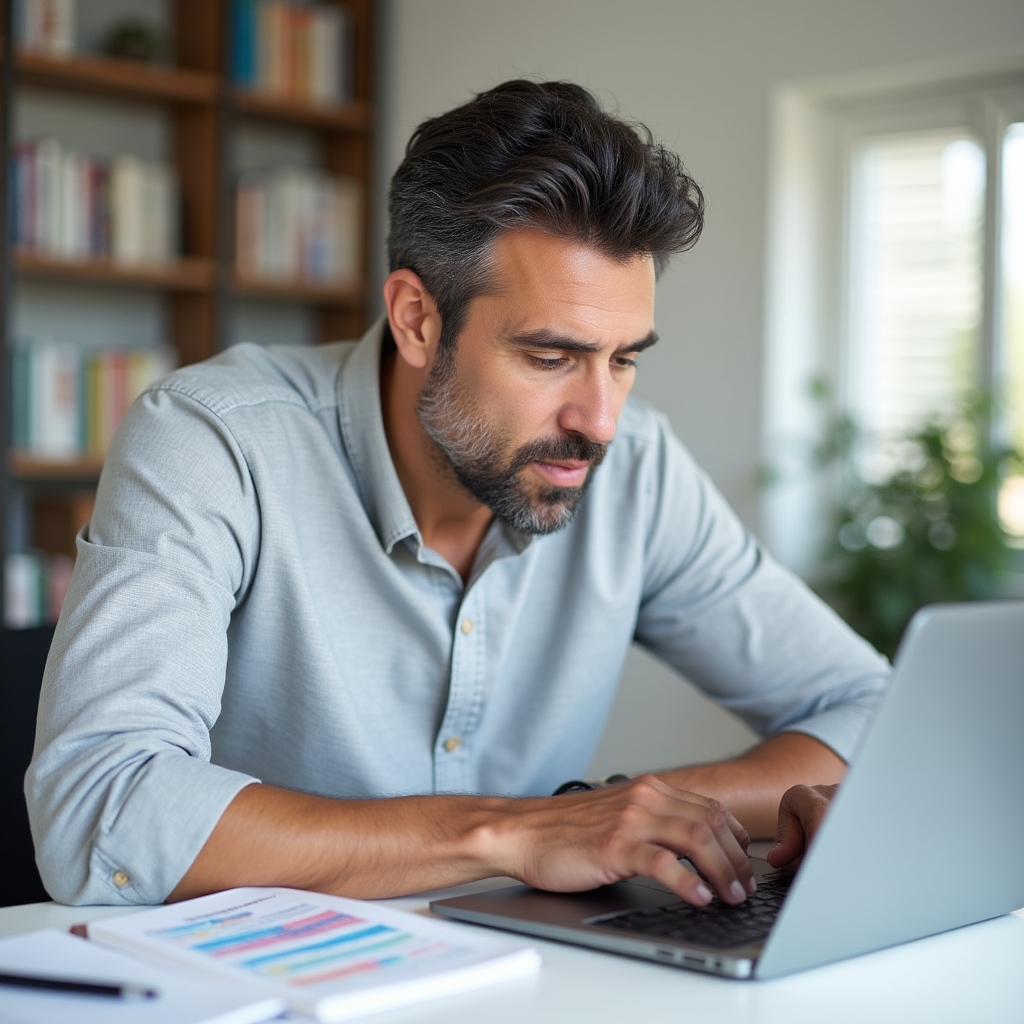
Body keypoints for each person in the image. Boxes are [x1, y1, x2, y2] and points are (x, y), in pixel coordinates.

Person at [26, 81, 887, 909]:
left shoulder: (638, 469)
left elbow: (870, 709)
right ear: (417, 319)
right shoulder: (213, 440)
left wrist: (641, 811)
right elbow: (101, 804)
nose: (601, 421)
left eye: (624, 358)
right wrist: (512, 832)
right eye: (551, 357)